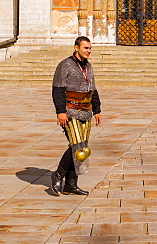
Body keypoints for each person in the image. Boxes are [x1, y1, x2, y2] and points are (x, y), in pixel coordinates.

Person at [50, 36, 101, 196]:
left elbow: (92, 89)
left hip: (86, 111)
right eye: (86, 48)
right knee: (76, 146)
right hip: (70, 110)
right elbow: (58, 89)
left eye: (90, 48)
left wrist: (97, 110)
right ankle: (57, 175)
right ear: (76, 47)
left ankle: (71, 185)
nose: (88, 51)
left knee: (82, 148)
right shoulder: (65, 65)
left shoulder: (88, 67)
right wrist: (60, 111)